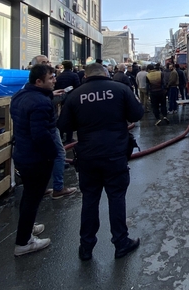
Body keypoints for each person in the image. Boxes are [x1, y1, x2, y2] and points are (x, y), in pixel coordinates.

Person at [58, 62, 144, 261]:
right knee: (116, 198)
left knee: (89, 200)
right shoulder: (120, 89)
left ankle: (86, 247)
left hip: (88, 156)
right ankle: (121, 242)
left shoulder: (75, 95)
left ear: (85, 76)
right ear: (106, 73)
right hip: (115, 153)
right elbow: (137, 114)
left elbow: (64, 125)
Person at [10, 64, 57, 256]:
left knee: (29, 195)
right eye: (50, 78)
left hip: (22, 153)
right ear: (38, 81)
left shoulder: (19, 96)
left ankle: (27, 227)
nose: (54, 80)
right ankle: (24, 242)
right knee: (32, 198)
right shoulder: (40, 102)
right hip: (36, 158)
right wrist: (52, 153)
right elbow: (40, 134)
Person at [32, 55, 77, 197]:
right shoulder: (40, 100)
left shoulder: (37, 92)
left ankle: (41, 187)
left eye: (48, 62)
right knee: (58, 153)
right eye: (43, 63)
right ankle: (58, 187)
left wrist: (51, 94)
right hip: (47, 128)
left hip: (47, 126)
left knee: (44, 156)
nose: (47, 64)